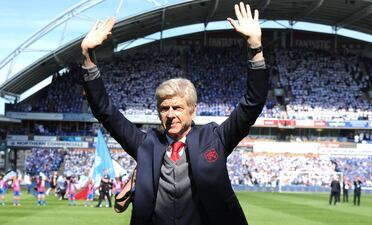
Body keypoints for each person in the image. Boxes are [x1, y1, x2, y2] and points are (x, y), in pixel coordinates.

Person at [81, 2, 267, 224]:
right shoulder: (146, 144)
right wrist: (88, 56)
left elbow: (252, 103)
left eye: (177, 108)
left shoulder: (215, 138)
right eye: (164, 108)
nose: (170, 114)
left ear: (192, 110)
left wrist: (255, 47)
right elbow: (105, 112)